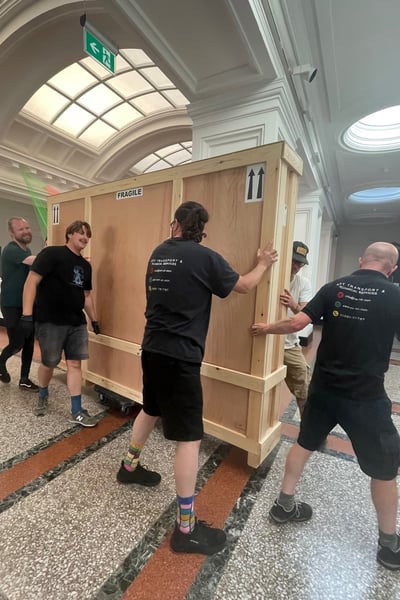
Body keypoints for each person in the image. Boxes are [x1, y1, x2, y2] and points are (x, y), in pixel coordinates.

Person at [116, 201, 278, 556]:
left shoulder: (158, 253)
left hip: (153, 348)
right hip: (180, 356)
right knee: (189, 437)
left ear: (174, 223)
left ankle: (129, 466)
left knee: (151, 406)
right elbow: (245, 286)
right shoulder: (205, 257)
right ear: (202, 230)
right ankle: (185, 530)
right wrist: (264, 263)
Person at [251, 242, 400, 571]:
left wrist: (265, 329)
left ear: (362, 259)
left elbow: (296, 323)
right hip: (367, 397)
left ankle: (283, 505)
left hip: (324, 390)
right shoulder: (394, 294)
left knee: (304, 443)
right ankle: (389, 545)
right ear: (391, 268)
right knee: (385, 469)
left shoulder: (334, 287)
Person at [21, 220, 101, 426]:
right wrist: (27, 315)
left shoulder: (85, 266)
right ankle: (43, 394)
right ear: (70, 234)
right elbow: (32, 281)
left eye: (87, 235)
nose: (84, 237)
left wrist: (94, 319)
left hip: (76, 322)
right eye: (80, 233)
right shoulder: (52, 254)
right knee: (49, 363)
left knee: (75, 364)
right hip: (50, 321)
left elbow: (87, 296)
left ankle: (76, 411)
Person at [0, 217, 39, 390]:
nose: (26, 231)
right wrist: (55, 254)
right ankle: (0, 365)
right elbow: (34, 261)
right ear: (12, 233)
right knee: (17, 343)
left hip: (27, 303)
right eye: (20, 229)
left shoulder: (27, 249)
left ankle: (24, 379)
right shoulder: (10, 250)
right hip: (11, 304)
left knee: (29, 341)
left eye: (27, 227)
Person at [280, 241, 312, 417]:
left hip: (289, 343)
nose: (296, 266)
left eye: (300, 263)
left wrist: (293, 304)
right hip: (264, 338)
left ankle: (307, 425)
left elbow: (305, 314)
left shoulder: (303, 283)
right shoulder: (273, 276)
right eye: (294, 261)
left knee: (303, 383)